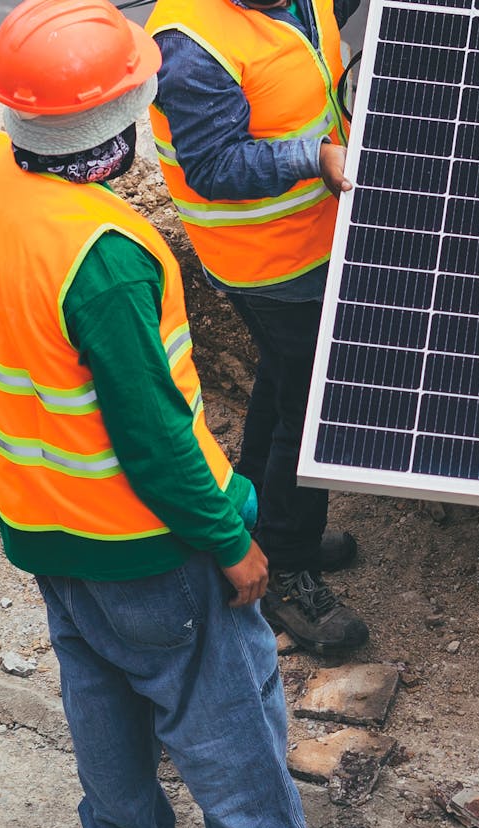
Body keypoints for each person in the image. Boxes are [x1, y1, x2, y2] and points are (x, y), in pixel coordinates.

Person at [0, 2, 373, 828]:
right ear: (116, 122)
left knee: (99, 693)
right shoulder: (103, 257)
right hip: (143, 543)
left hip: (40, 521)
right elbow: (153, 440)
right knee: (227, 706)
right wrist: (231, 542)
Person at [145, 0, 369, 657]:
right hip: (268, 264)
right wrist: (314, 156)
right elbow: (213, 167)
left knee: (284, 381)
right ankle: (288, 572)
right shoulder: (190, 45)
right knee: (313, 411)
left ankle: (257, 524)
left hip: (322, 236)